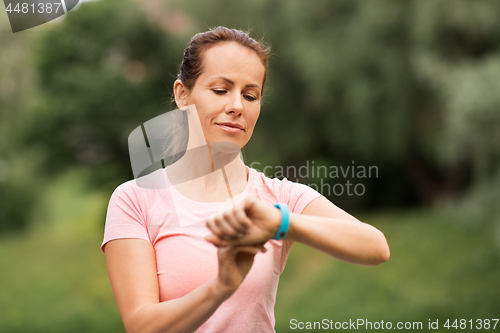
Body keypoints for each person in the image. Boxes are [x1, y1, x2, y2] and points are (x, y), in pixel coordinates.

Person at [101, 26, 390, 333]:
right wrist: (221, 286)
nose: (237, 106)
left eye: (250, 95)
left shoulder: (278, 198)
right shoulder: (136, 199)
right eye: (221, 90)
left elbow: (375, 247)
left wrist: (282, 223)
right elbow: (141, 326)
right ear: (182, 94)